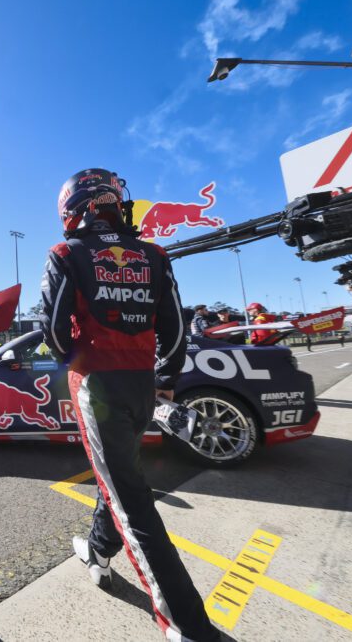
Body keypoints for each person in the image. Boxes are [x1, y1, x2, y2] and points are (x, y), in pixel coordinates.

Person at [41, 168, 219, 642]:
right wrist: (163, 383)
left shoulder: (65, 252)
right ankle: (98, 551)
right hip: (145, 387)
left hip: (97, 387)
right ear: (119, 204)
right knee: (119, 479)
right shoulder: (155, 255)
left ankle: (189, 628)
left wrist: (82, 363)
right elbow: (175, 329)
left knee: (132, 506)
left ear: (72, 209)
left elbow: (55, 332)